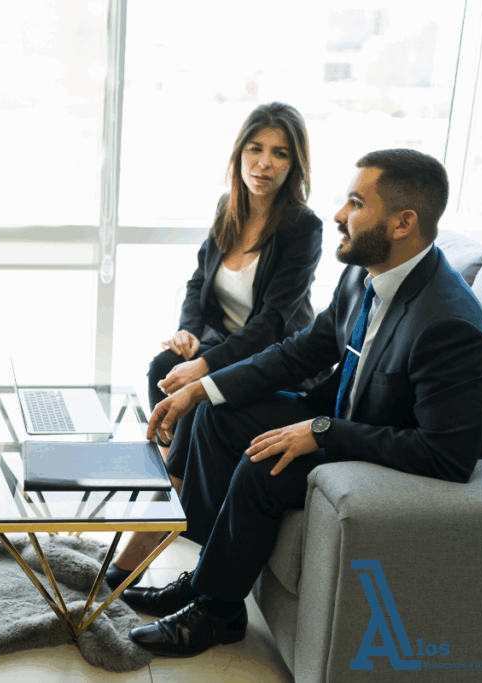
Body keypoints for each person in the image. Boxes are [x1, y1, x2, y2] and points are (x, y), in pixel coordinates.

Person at [122, 148, 482, 657]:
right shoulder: (365, 272)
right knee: (217, 415)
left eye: (355, 202)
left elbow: (447, 455)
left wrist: (322, 432)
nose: (337, 215)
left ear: (403, 222)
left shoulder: (448, 324)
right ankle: (208, 579)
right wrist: (205, 386)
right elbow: (300, 351)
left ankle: (215, 613)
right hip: (343, 417)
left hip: (379, 449)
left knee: (263, 463)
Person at [108, 102, 323, 589]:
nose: (264, 163)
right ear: (240, 153)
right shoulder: (230, 207)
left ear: (294, 165)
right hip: (220, 343)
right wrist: (187, 332)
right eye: (255, 149)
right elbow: (196, 285)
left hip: (275, 360)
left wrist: (203, 363)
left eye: (279, 154)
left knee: (193, 388)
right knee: (163, 365)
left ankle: (149, 533)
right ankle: (173, 485)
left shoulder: (301, 227)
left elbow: (271, 325)